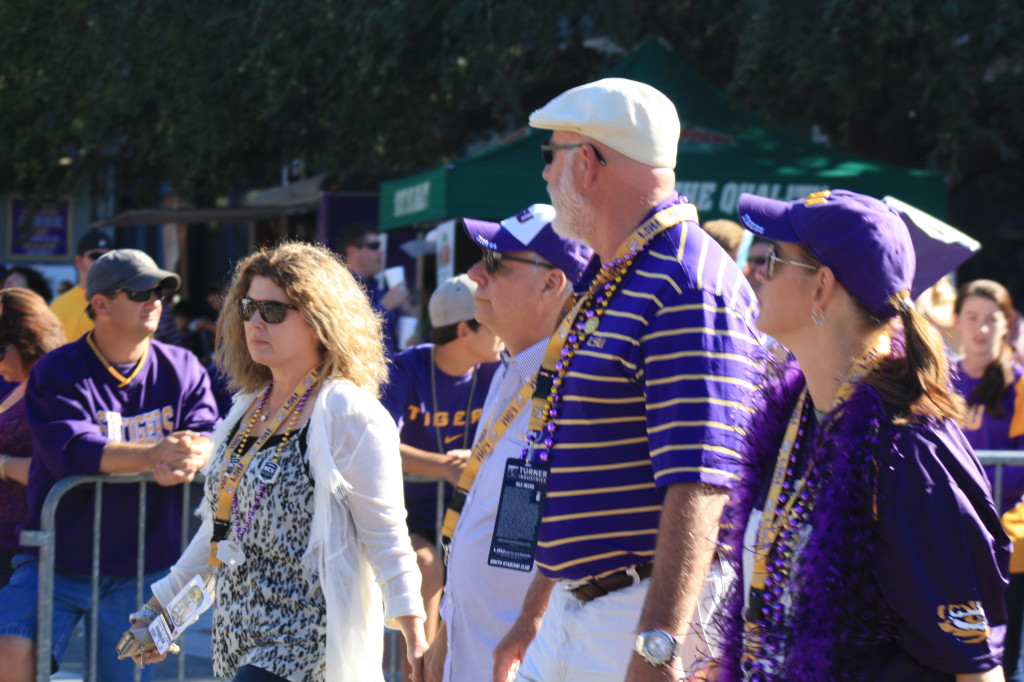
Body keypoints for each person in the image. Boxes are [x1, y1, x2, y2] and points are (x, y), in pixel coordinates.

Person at [495, 79, 761, 682]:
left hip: (633, 620)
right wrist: (533, 616)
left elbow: (701, 482)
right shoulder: (624, 271)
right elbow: (566, 455)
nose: (543, 176)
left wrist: (658, 647)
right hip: (578, 611)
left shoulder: (686, 282)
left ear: (587, 164)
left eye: (550, 155)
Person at [716, 189, 1008, 680]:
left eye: (773, 259)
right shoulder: (795, 418)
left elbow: (975, 669)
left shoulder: (910, 453)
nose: (758, 274)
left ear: (821, 287)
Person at [127, 242, 428, 682]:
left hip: (307, 644)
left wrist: (414, 632)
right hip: (237, 636)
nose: (253, 322)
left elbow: (387, 535)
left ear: (319, 319)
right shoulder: (246, 410)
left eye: (272, 311)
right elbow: (217, 531)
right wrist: (160, 614)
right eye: (248, 307)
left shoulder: (347, 411)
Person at [0, 249, 218, 682]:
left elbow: (209, 431)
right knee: (11, 645)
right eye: (140, 291)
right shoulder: (57, 371)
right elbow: (74, 449)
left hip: (143, 567)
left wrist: (197, 451)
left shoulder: (183, 366)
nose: (154, 300)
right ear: (100, 304)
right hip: (56, 557)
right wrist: (155, 454)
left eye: (160, 291)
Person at [422, 205, 592, 682]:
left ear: (551, 284)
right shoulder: (512, 369)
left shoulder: (574, 386)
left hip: (523, 662)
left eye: (496, 263)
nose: (475, 273)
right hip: (475, 651)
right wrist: (447, 636)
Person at [381, 273, 502, 654]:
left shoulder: (501, 367)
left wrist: (479, 455)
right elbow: (378, 445)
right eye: (490, 318)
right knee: (425, 564)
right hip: (406, 511)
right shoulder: (404, 368)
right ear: (464, 330)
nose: (500, 329)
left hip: (467, 511)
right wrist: (445, 466)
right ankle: (418, 673)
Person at [952, 279, 1024, 681]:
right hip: (947, 541)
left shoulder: (1019, 385)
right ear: (957, 322)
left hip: (1007, 547)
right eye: (972, 318)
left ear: (1007, 324)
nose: (980, 329)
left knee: (1003, 659)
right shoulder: (940, 379)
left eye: (990, 320)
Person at [0, 289, 65, 587]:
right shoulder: (23, 382)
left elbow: (53, 467)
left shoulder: (52, 387)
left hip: (20, 543)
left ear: (25, 341)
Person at [337, 223, 408, 354]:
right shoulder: (338, 286)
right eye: (374, 246)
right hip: (357, 370)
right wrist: (385, 306)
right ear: (352, 251)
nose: (380, 251)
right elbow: (347, 332)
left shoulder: (376, 287)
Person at [49, 228, 114, 343]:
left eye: (108, 256)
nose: (102, 261)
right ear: (79, 261)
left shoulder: (123, 300)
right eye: (95, 255)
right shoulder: (58, 305)